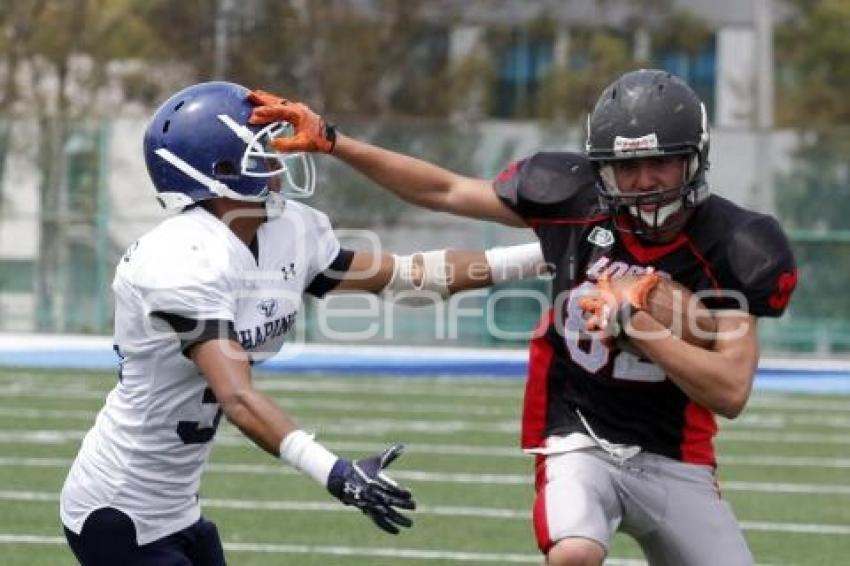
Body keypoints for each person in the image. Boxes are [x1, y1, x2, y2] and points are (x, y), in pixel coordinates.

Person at [249, 69, 798, 566]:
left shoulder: (736, 242)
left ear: (695, 158)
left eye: (661, 162)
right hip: (578, 437)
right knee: (575, 552)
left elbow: (730, 391)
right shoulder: (573, 194)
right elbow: (444, 189)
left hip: (677, 455)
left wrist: (638, 326)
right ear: (603, 166)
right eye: (628, 166)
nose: (644, 180)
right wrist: (335, 142)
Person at [59, 80, 545, 565]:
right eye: (259, 150)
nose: (275, 160)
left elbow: (409, 278)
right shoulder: (181, 258)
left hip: (177, 508)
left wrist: (547, 255)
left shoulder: (287, 230)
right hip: (117, 507)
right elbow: (237, 396)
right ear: (220, 170)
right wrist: (335, 472)